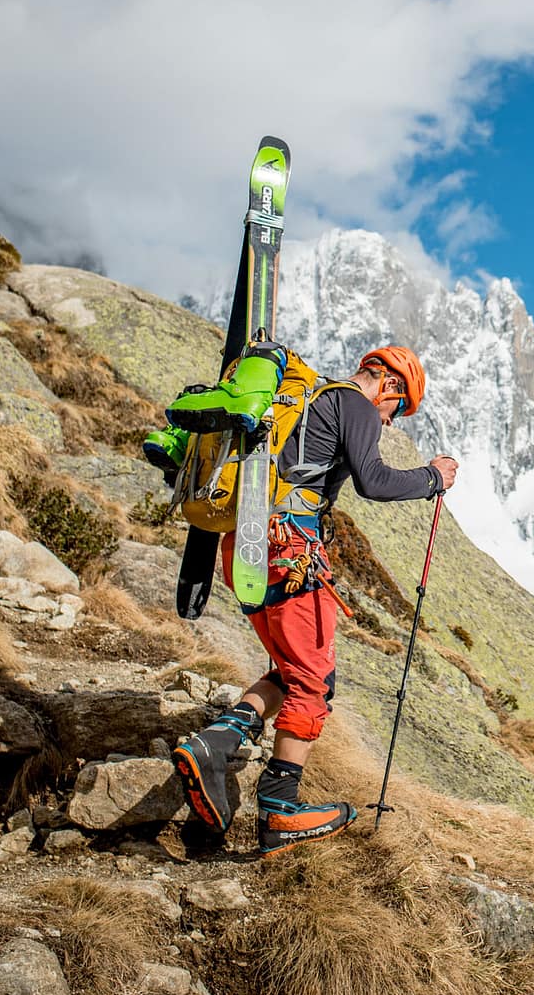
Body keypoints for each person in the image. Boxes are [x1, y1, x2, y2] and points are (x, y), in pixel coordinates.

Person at [172, 345, 459, 856]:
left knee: (290, 670)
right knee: (313, 681)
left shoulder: (307, 398)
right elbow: (375, 481)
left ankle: (216, 746)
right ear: (390, 385)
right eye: (399, 408)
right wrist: (433, 476)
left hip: (247, 545)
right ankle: (280, 809)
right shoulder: (355, 405)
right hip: (291, 550)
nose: (391, 422)